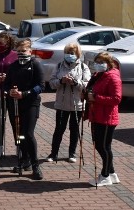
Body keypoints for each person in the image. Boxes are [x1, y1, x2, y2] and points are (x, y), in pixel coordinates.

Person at [3, 38, 44, 180]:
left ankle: (35, 165)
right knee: (18, 134)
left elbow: (41, 86)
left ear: (30, 51)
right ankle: (24, 160)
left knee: (28, 133)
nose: (21, 53)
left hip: (31, 103)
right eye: (18, 51)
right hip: (14, 104)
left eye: (24, 51)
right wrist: (10, 92)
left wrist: (25, 93)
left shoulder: (35, 65)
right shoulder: (13, 66)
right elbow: (6, 85)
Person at [46, 43, 90, 163]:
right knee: (59, 129)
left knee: (74, 129)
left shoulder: (83, 67)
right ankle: (53, 153)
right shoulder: (59, 66)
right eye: (68, 53)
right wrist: (61, 81)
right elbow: (51, 83)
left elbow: (87, 85)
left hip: (77, 105)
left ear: (77, 54)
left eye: (72, 53)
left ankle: (72, 153)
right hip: (61, 104)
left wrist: (75, 82)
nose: (70, 55)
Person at [85, 52, 122, 187]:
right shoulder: (97, 75)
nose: (98, 65)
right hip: (96, 115)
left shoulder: (113, 77)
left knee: (103, 147)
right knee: (101, 145)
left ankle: (105, 175)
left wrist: (97, 98)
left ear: (109, 63)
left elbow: (116, 99)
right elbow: (90, 90)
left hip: (107, 117)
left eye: (101, 62)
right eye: (97, 62)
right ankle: (112, 173)